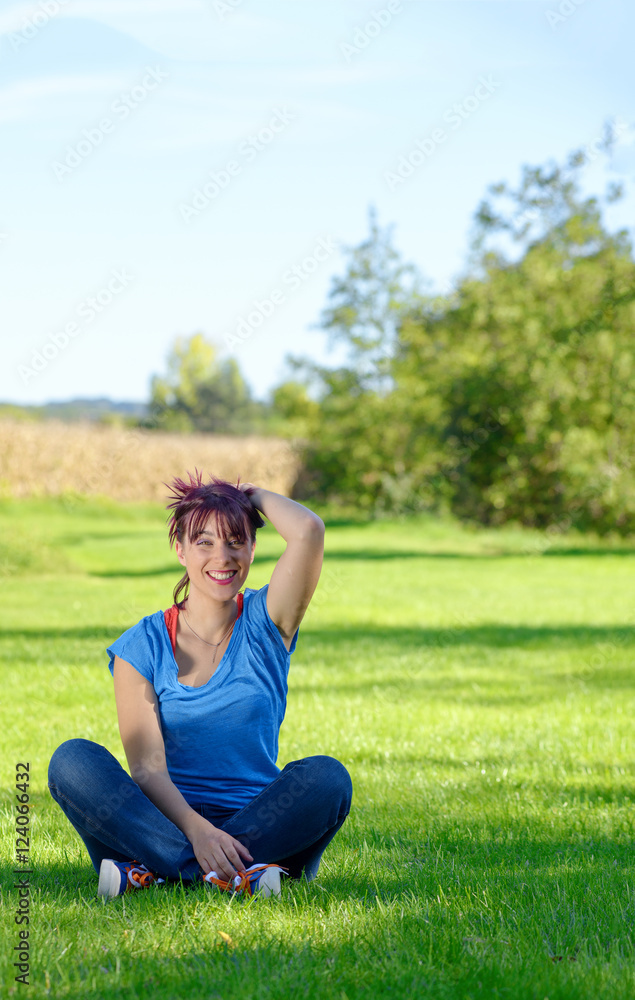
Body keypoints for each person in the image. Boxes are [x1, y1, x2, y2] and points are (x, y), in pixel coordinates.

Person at [48, 472, 352, 899]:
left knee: (328, 777)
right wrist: (198, 832)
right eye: (204, 542)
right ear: (181, 550)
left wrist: (252, 495)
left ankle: (153, 873)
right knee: (72, 761)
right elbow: (147, 769)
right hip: (158, 824)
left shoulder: (269, 621)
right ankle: (236, 873)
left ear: (252, 548)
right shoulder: (143, 644)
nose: (222, 557)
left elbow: (308, 530)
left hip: (257, 821)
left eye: (235, 541)